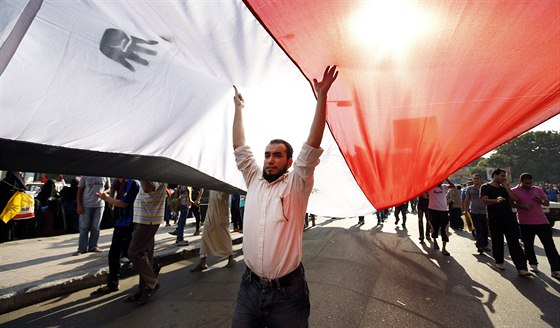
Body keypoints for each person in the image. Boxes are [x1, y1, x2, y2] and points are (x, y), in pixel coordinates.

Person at [231, 65, 338, 327]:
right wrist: (238, 108)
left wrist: (321, 96)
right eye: (267, 154)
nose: (269, 160)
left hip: (287, 295)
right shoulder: (254, 180)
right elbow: (239, 147)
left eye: (277, 155)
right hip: (249, 288)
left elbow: (312, 144)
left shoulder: (296, 185)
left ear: (290, 162)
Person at [91, 178, 140, 295]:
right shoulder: (123, 183)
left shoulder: (132, 183)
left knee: (131, 253)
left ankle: (150, 273)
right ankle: (113, 282)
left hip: (129, 223)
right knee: (114, 253)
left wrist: (106, 198)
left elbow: (124, 203)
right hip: (121, 221)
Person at [480, 168, 530, 276]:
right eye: (502, 175)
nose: (504, 178)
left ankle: (521, 268)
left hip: (509, 219)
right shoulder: (485, 187)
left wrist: (507, 187)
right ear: (495, 175)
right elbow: (484, 200)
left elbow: (514, 199)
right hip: (495, 219)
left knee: (514, 243)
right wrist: (496, 200)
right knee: (497, 241)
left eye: (505, 176)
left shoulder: (504, 188)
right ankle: (499, 262)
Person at [512, 173, 560, 280]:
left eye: (530, 183)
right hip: (525, 223)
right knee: (528, 245)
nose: (528, 185)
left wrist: (541, 201)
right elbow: (511, 203)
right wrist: (522, 206)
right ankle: (533, 263)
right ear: (521, 181)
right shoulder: (514, 191)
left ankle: (556, 269)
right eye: (526, 183)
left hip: (542, 222)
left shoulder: (538, 189)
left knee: (550, 246)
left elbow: (546, 203)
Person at [126, 181, 166, 305]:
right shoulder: (151, 169)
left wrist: (141, 170)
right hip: (144, 217)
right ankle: (144, 290)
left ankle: (152, 281)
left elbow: (148, 188)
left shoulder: (156, 170)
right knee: (145, 256)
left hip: (148, 219)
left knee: (134, 252)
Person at [190, 190, 236, 272]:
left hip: (221, 213)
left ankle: (231, 258)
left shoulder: (225, 179)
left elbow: (226, 193)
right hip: (211, 212)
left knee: (224, 236)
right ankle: (202, 262)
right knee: (205, 235)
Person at [74, 176, 110, 255]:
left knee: (96, 227)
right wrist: (79, 205)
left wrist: (104, 192)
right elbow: (79, 191)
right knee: (84, 227)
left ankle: (93, 246)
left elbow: (109, 188)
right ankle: (82, 248)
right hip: (86, 204)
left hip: (100, 205)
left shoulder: (105, 176)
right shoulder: (85, 176)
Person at [428, 179, 455, 256]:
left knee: (445, 229)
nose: (440, 180)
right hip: (433, 210)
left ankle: (444, 248)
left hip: (443, 211)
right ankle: (435, 241)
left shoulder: (444, 187)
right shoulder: (430, 187)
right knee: (434, 228)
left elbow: (453, 186)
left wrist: (446, 178)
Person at [464, 174, 489, 254]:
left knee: (485, 230)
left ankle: (485, 245)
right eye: (474, 178)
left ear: (481, 179)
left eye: (478, 178)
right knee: (479, 230)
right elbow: (467, 199)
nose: (476, 180)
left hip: (485, 212)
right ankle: (480, 246)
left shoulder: (485, 187)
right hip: (474, 212)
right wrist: (465, 210)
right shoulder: (469, 189)